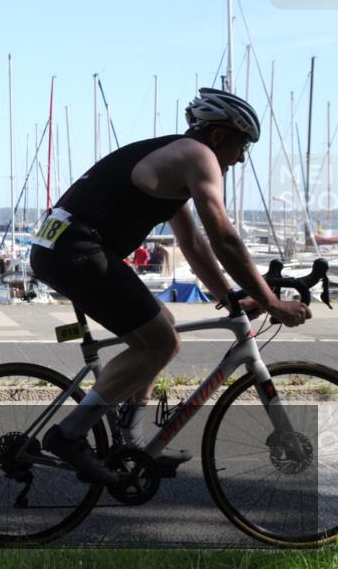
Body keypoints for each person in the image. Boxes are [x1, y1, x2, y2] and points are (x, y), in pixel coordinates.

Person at [29, 87, 311, 485]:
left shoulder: (174, 161)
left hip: (63, 245)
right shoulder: (199, 158)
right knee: (162, 342)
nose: (242, 157)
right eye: (242, 145)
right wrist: (271, 302)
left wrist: (229, 297)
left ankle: (131, 444)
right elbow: (224, 238)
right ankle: (70, 435)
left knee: (162, 320)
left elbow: (194, 244)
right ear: (218, 137)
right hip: (76, 248)